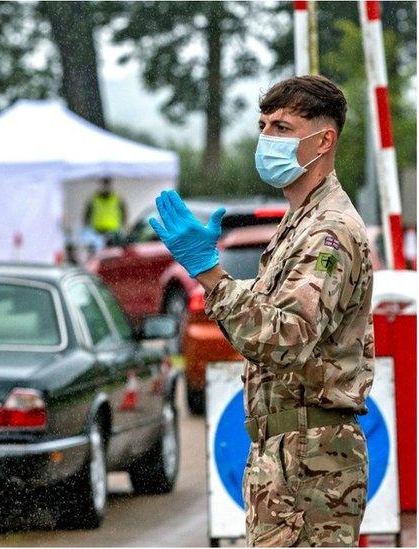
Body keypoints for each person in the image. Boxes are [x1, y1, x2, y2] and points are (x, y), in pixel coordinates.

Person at [148, 75, 373, 547]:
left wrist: (211, 275)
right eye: (264, 126)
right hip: (289, 452)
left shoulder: (328, 232)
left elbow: (287, 339)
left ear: (324, 139)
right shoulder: (300, 221)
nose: (267, 138)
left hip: (312, 460)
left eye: (283, 128)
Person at [81, 178, 126, 256]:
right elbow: (86, 216)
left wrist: (123, 227)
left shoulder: (117, 199)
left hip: (113, 233)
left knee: (112, 256)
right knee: (98, 256)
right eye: (103, 184)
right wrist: (87, 230)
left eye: (107, 184)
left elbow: (124, 214)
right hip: (97, 233)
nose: (105, 187)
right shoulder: (93, 199)